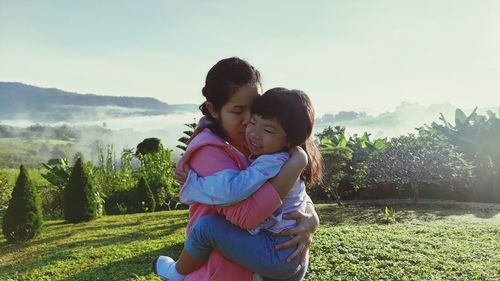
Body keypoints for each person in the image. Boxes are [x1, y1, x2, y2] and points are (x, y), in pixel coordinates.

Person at [154, 57, 320, 281]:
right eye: (238, 111)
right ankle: (177, 272)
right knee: (206, 227)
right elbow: (246, 215)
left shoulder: (263, 146)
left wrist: (311, 218)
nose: (247, 121)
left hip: (269, 255)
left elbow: (294, 195)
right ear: (213, 109)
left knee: (207, 228)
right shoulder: (209, 152)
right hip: (240, 259)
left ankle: (176, 273)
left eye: (253, 110)